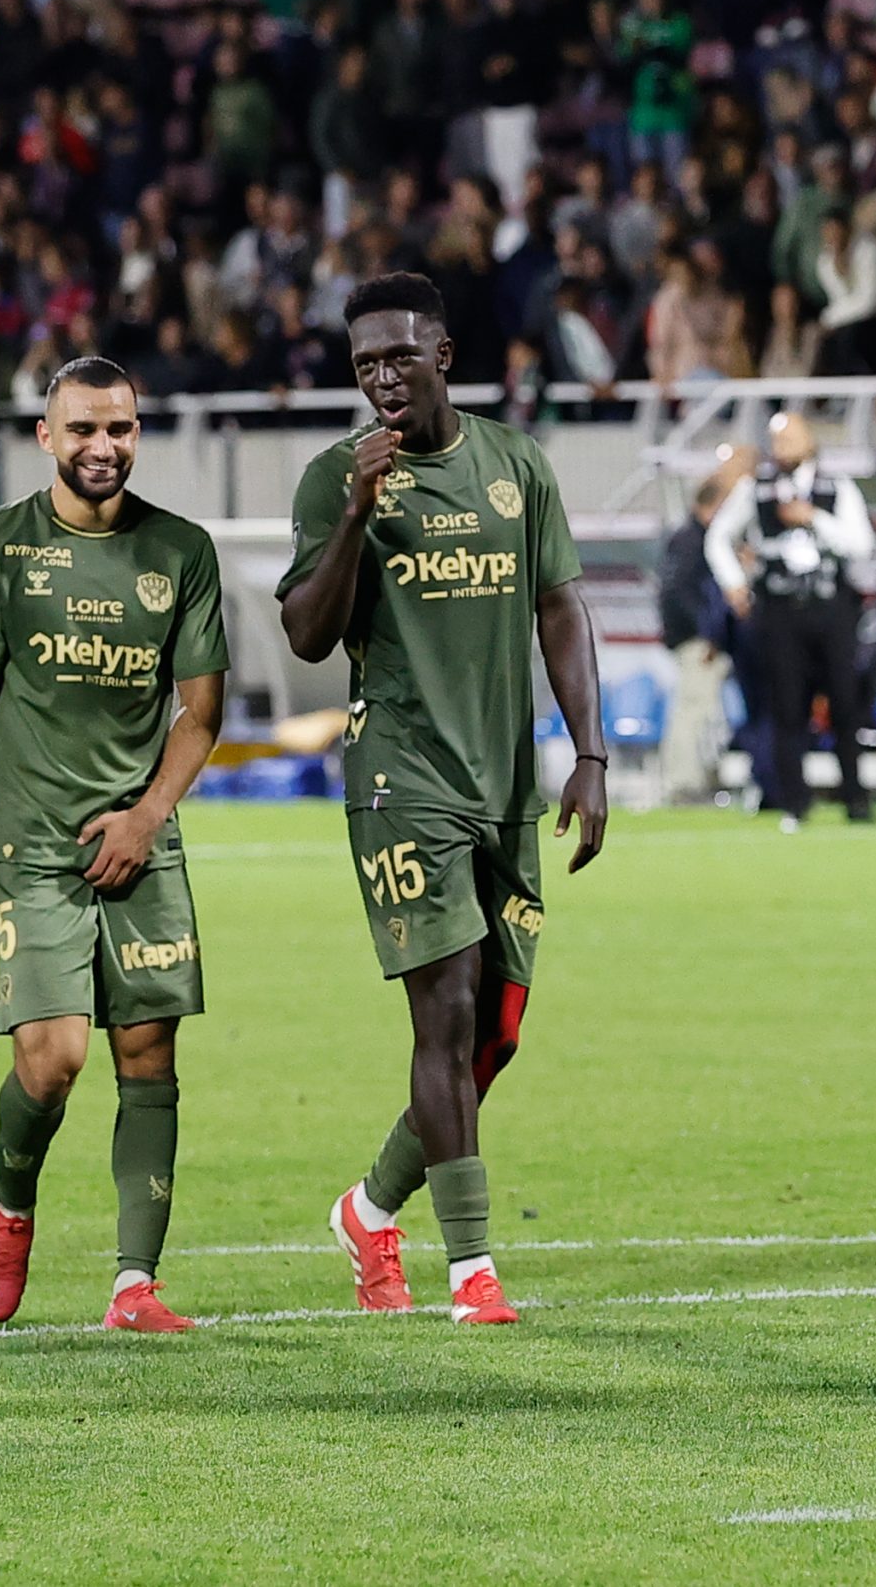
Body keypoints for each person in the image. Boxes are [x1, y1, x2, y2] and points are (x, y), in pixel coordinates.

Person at [278, 271, 609, 1329]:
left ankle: (370, 1207)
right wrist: (354, 514)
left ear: (443, 357)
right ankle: (474, 1270)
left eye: (399, 357)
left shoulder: (515, 464)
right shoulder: (334, 477)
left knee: (495, 1034)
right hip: (399, 780)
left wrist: (590, 754)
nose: (382, 378)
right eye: (365, 363)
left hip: (503, 784)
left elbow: (560, 606)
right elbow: (307, 634)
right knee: (449, 1009)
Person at [0, 357, 227, 1333]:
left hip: (141, 844)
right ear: (46, 436)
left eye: (119, 428)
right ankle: (12, 1204)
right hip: (34, 846)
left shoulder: (181, 551)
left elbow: (201, 712)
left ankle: (135, 1286)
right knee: (53, 1060)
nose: (103, 446)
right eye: (84, 429)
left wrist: (147, 817)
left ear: (138, 434)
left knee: (148, 1052)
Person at [704, 412, 875, 831]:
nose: (782, 448)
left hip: (830, 606)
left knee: (845, 704)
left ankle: (855, 798)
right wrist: (733, 583)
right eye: (777, 440)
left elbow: (860, 544)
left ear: (810, 441)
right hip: (779, 610)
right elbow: (719, 536)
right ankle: (794, 801)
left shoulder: (837, 487)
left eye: (790, 438)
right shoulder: (755, 489)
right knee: (786, 707)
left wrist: (814, 518)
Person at [657, 473, 732, 805]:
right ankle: (683, 784)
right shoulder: (693, 540)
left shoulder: (686, 538)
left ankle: (698, 778)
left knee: (701, 711)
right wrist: (707, 632)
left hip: (694, 637)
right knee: (693, 710)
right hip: (697, 641)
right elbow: (681, 593)